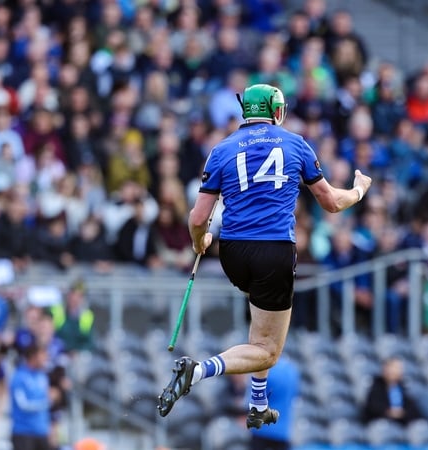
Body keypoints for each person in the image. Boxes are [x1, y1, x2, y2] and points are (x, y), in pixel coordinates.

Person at [157, 83, 373, 430]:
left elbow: (198, 219)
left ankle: (258, 402)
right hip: (273, 250)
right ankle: (198, 371)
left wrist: (200, 241)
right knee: (269, 348)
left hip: (233, 253)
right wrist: (359, 189)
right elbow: (332, 202)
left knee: (261, 332)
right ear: (275, 111)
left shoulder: (221, 149)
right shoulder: (295, 143)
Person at [248, 357, 300, 450]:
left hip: (261, 429)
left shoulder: (264, 369)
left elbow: (255, 398)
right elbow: (295, 395)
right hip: (283, 431)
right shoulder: (292, 369)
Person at [10, 343, 50, 450]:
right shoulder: (19, 377)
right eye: (43, 356)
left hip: (42, 432)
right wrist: (46, 402)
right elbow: (23, 405)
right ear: (33, 356)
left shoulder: (42, 376)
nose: (46, 359)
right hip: (23, 433)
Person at [361, 357, 422, 425]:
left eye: (399, 368)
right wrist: (389, 412)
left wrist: (402, 413)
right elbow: (373, 407)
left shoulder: (403, 387)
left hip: (402, 423)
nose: (396, 371)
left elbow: (411, 407)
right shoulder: (376, 387)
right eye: (394, 368)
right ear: (385, 369)